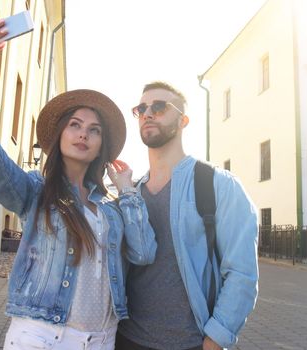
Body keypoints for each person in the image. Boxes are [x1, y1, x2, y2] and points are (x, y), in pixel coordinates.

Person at [0, 20, 157, 350]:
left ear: (101, 144)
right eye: (75, 125)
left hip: (103, 339)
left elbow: (144, 252)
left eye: (94, 130)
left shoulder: (112, 208)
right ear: (60, 133)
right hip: (42, 337)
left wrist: (129, 192)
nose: (83, 134)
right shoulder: (35, 191)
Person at [115, 82, 259, 350]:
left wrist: (216, 339)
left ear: (183, 120)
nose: (147, 113)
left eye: (159, 107)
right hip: (127, 339)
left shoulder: (218, 185)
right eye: (141, 108)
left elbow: (242, 272)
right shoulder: (131, 194)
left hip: (190, 343)